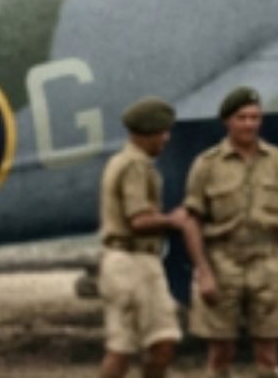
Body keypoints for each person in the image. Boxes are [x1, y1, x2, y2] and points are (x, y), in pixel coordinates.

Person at [181, 86, 278, 378]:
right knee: (220, 352)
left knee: (268, 352)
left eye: (255, 117)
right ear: (227, 121)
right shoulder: (207, 164)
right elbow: (191, 221)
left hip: (267, 260)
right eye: (242, 118)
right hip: (222, 262)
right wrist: (204, 272)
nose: (249, 124)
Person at [98, 97, 194, 378]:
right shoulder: (136, 166)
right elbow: (140, 221)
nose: (166, 138)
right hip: (135, 263)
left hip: (121, 261)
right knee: (161, 342)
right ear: (147, 133)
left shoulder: (119, 161)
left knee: (124, 346)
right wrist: (174, 220)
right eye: (162, 132)